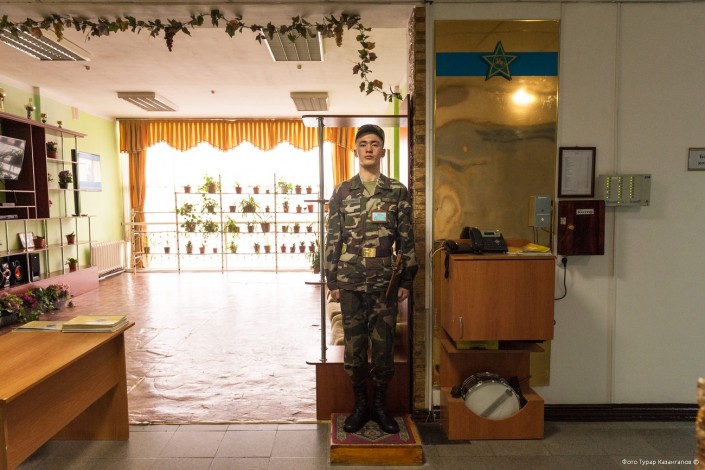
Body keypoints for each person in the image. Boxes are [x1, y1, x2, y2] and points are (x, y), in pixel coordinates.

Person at [324, 124, 418, 434]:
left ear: (382, 151)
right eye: (363, 143)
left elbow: (406, 238)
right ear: (355, 150)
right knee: (354, 349)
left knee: (383, 348)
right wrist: (332, 281)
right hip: (350, 281)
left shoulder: (396, 191)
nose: (368, 148)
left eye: (374, 143)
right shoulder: (342, 191)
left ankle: (379, 406)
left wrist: (406, 280)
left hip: (384, 282)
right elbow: (333, 238)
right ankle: (360, 405)